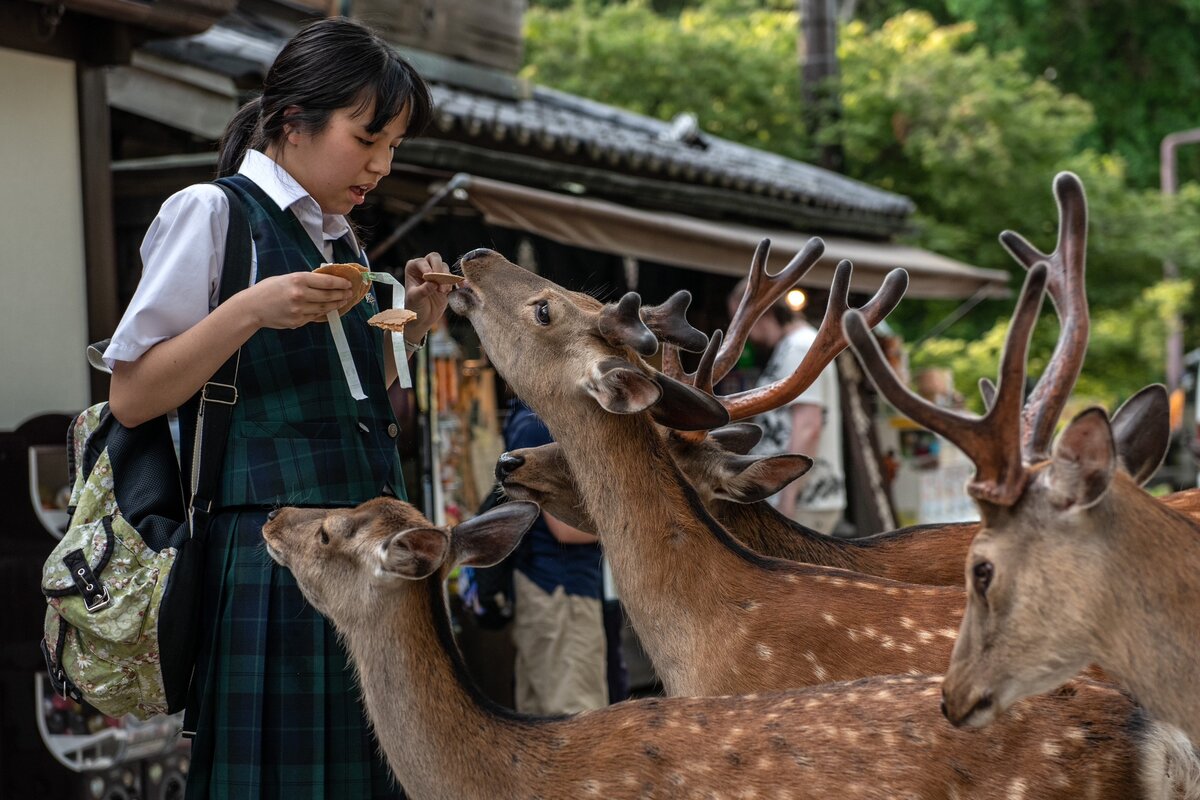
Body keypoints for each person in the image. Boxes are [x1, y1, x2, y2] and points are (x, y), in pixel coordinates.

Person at [103, 18, 444, 799]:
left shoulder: (339, 239)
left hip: (368, 548)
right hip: (273, 550)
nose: (382, 165)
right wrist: (251, 307)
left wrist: (416, 325)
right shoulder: (212, 212)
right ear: (294, 122)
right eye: (368, 139)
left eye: (393, 146)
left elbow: (341, 386)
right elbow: (132, 395)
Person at [503, 398, 609, 715]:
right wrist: (635, 529)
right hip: (562, 597)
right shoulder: (541, 426)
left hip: (548, 594)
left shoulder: (529, 419)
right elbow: (564, 529)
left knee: (544, 728)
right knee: (581, 729)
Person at [727, 281, 846, 535]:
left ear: (762, 313)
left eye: (741, 323)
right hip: (798, 497)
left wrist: (787, 499)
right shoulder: (792, 346)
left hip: (804, 501)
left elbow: (808, 427)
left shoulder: (800, 347)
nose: (740, 334)